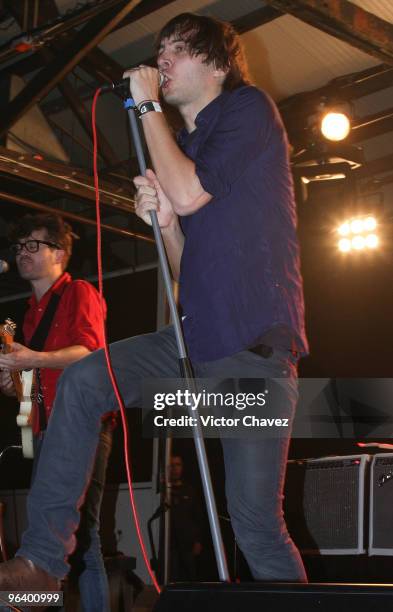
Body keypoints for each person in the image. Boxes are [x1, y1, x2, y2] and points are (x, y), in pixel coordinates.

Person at [0, 12, 308, 590]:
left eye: (178, 49)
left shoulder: (248, 110)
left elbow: (191, 192)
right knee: (88, 382)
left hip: (250, 359)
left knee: (255, 523)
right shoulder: (185, 148)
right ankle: (39, 568)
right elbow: (186, 267)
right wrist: (164, 222)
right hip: (195, 342)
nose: (161, 58)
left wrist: (147, 111)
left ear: (217, 64)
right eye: (159, 47)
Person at [0, 214, 113, 610]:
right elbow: (39, 381)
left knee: (85, 534)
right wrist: (16, 382)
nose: (22, 253)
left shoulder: (79, 292)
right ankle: (41, 603)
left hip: (82, 425)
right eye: (19, 247)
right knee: (49, 531)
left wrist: (31, 357)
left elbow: (90, 354)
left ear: (59, 254)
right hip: (48, 428)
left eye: (33, 245)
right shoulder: (31, 313)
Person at [168, 455, 203, 581]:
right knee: (172, 578)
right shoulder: (164, 491)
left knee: (190, 578)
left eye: (178, 465)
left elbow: (198, 517)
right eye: (171, 465)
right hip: (170, 545)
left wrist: (198, 541)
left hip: (188, 544)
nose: (175, 468)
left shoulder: (189, 490)